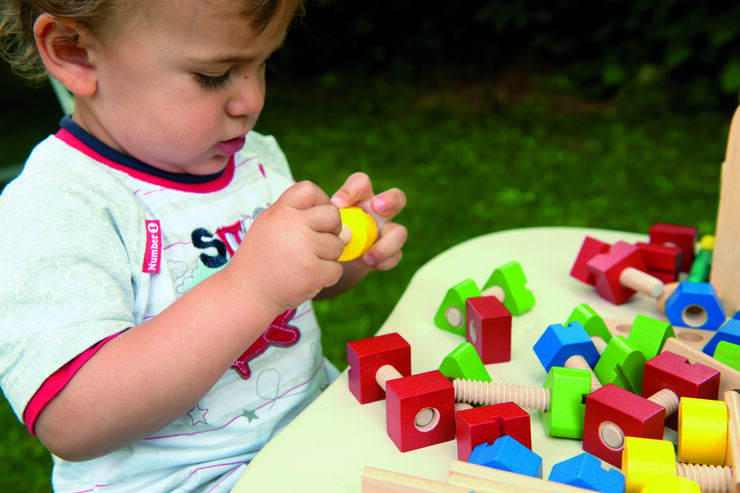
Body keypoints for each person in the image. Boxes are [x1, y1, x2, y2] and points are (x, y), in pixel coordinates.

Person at [0, 0, 407, 491]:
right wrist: (248, 288)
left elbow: (296, 288)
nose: (251, 100)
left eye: (261, 65)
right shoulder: (59, 205)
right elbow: (71, 419)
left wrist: (346, 253)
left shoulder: (255, 157)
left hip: (312, 439)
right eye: (215, 75)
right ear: (74, 52)